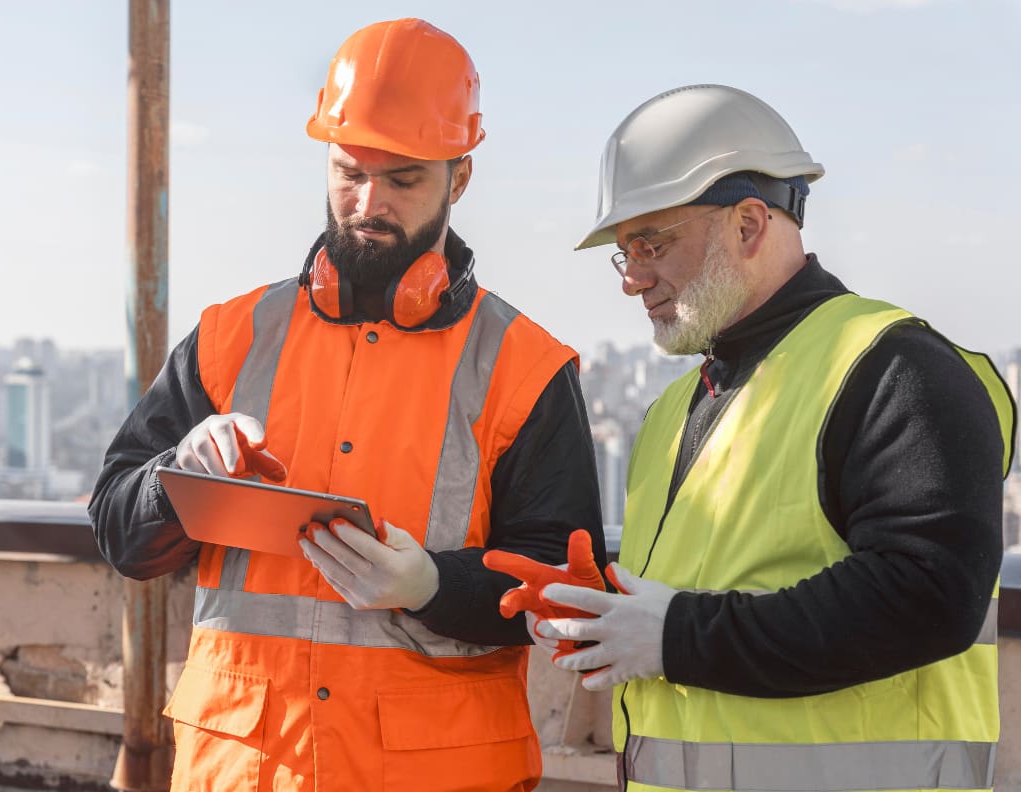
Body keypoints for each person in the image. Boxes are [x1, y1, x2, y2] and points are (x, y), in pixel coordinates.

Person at [88, 18, 605, 792]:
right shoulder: (231, 338)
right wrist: (173, 478)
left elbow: (563, 589)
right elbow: (120, 536)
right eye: (348, 172)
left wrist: (433, 586)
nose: (369, 202)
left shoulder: (524, 365)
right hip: (249, 770)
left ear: (459, 179)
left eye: (404, 180)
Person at [524, 84, 1015, 791]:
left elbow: (928, 595)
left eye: (651, 243)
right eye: (623, 251)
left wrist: (673, 636)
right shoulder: (674, 411)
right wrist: (604, 617)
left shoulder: (895, 368)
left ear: (750, 225)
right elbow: (722, 587)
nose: (632, 279)